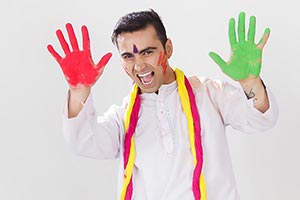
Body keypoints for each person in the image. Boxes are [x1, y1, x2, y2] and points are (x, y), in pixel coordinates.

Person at [47, 9, 278, 200]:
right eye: (128, 56)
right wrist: (79, 91)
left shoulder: (208, 93)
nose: (139, 66)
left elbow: (260, 119)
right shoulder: (122, 118)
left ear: (168, 49)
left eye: (147, 52)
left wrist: (250, 82)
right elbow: (82, 141)